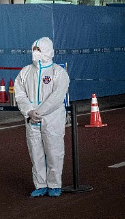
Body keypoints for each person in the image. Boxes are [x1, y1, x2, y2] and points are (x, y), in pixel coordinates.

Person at [14, 37, 70, 198]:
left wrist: (40, 111)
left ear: (47, 50)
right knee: (35, 152)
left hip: (52, 119)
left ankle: (54, 184)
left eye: (39, 50)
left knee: (54, 151)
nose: (35, 53)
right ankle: (40, 184)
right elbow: (20, 94)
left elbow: (57, 96)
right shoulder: (25, 72)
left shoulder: (58, 72)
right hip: (31, 120)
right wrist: (29, 111)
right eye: (34, 49)